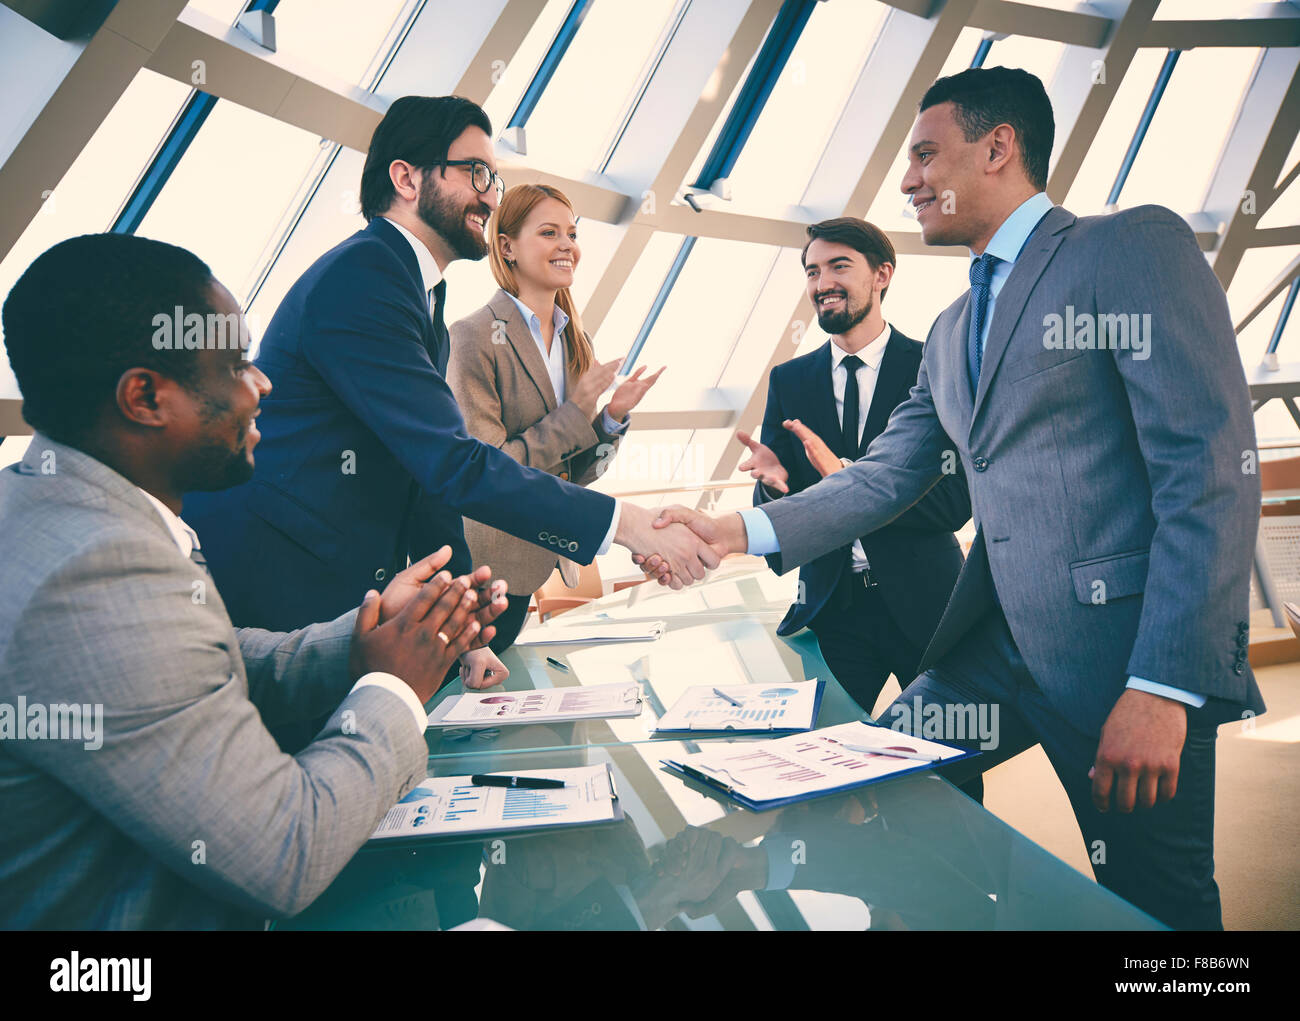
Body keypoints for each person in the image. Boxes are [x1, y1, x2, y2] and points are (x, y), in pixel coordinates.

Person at [645, 66, 1265, 930]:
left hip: (1121, 660)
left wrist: (1164, 685)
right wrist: (730, 528)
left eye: (927, 155)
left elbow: (1208, 467)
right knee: (876, 772)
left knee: (1160, 908)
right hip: (996, 653)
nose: (908, 181)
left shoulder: (1127, 249)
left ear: (999, 147)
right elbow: (884, 476)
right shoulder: (949, 333)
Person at [0, 233, 506, 928]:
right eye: (237, 365)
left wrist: (361, 646)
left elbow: (192, 669)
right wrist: (394, 687)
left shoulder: (61, 506)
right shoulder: (90, 571)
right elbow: (284, 851)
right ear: (145, 396)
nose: (262, 383)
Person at [184, 95, 714, 695]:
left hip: (327, 580)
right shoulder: (367, 277)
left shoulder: (417, 293)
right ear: (406, 178)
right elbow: (455, 463)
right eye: (476, 173)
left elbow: (427, 480)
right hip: (280, 579)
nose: (490, 196)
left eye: (495, 178)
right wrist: (630, 525)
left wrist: (467, 632)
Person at [736, 216, 969, 718]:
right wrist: (776, 490)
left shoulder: (933, 364)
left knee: (953, 764)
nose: (822, 284)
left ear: (882, 274)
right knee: (822, 755)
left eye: (838, 266)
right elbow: (787, 495)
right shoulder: (790, 380)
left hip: (926, 603)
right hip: (833, 608)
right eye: (812, 271)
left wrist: (846, 477)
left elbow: (955, 501)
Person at [447, 183, 664, 652]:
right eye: (549, 232)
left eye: (572, 232)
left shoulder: (574, 342)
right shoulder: (472, 338)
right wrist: (574, 414)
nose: (567, 245)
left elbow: (573, 474)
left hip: (537, 565)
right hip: (481, 579)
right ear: (506, 247)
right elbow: (487, 471)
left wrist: (610, 419)